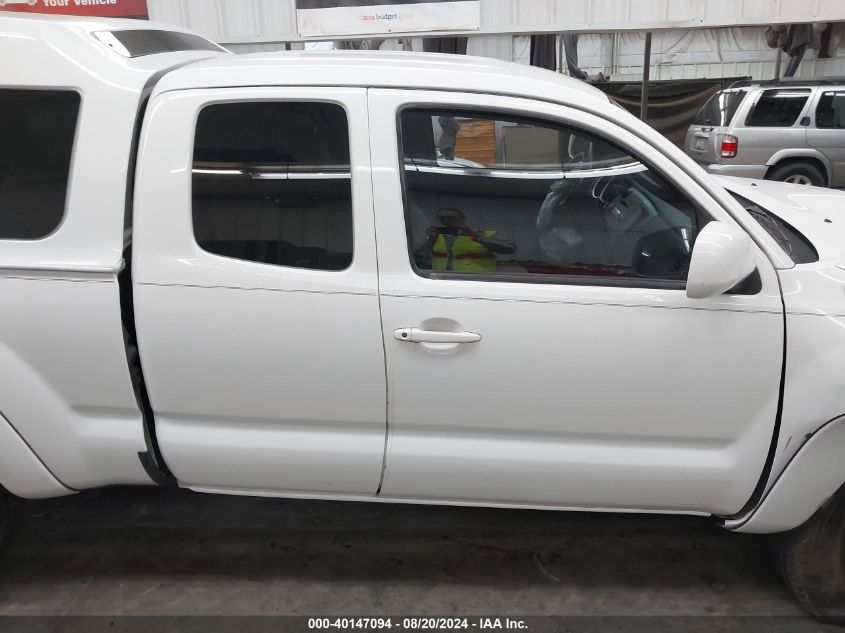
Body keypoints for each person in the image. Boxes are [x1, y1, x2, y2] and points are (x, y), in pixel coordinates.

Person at [424, 207, 515, 273]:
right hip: (440, 282)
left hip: (476, 283)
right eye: (442, 218)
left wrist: (476, 236)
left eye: (452, 218)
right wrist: (431, 241)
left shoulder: (485, 235)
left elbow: (510, 248)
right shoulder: (435, 237)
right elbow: (420, 260)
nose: (447, 221)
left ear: (462, 219)